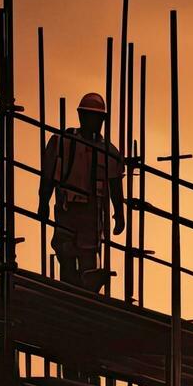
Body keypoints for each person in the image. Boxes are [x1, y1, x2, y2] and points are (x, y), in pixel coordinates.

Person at [39, 92, 126, 290]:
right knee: (66, 253)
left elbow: (115, 187)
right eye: (88, 116)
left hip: (92, 215)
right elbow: (48, 176)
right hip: (67, 209)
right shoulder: (62, 143)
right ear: (81, 116)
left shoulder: (109, 153)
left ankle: (85, 292)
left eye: (96, 118)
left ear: (102, 120)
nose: (92, 122)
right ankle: (71, 292)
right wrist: (42, 203)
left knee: (88, 258)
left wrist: (119, 214)